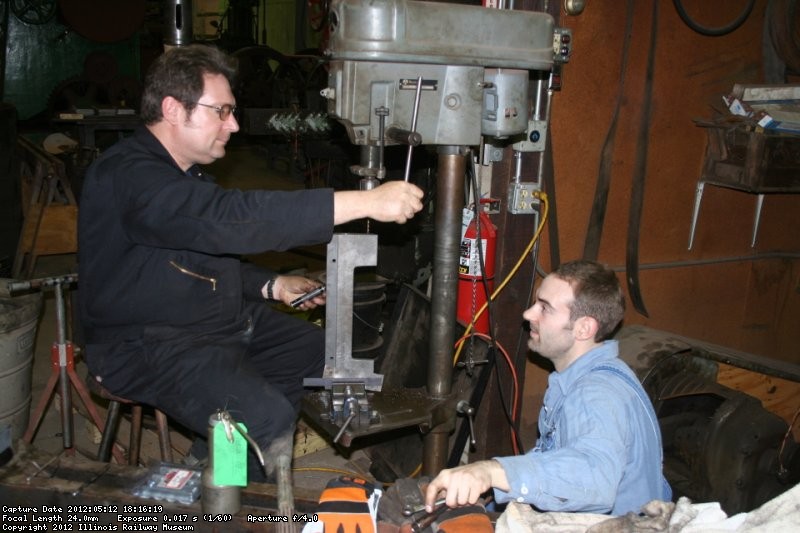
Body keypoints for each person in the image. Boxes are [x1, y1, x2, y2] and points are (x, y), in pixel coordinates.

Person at [77, 44, 424, 477]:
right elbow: (227, 220)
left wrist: (272, 285)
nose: (234, 125)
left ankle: (222, 459)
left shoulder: (182, 172)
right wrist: (362, 202)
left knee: (317, 354)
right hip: (145, 343)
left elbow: (192, 259)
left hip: (207, 323)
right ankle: (242, 508)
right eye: (222, 111)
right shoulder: (130, 175)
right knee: (264, 419)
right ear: (172, 108)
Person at [424, 260, 671, 516]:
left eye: (545, 308)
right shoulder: (583, 376)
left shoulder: (596, 393)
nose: (529, 314)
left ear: (584, 328)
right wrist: (493, 491)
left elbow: (594, 479)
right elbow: (555, 457)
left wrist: (491, 471)